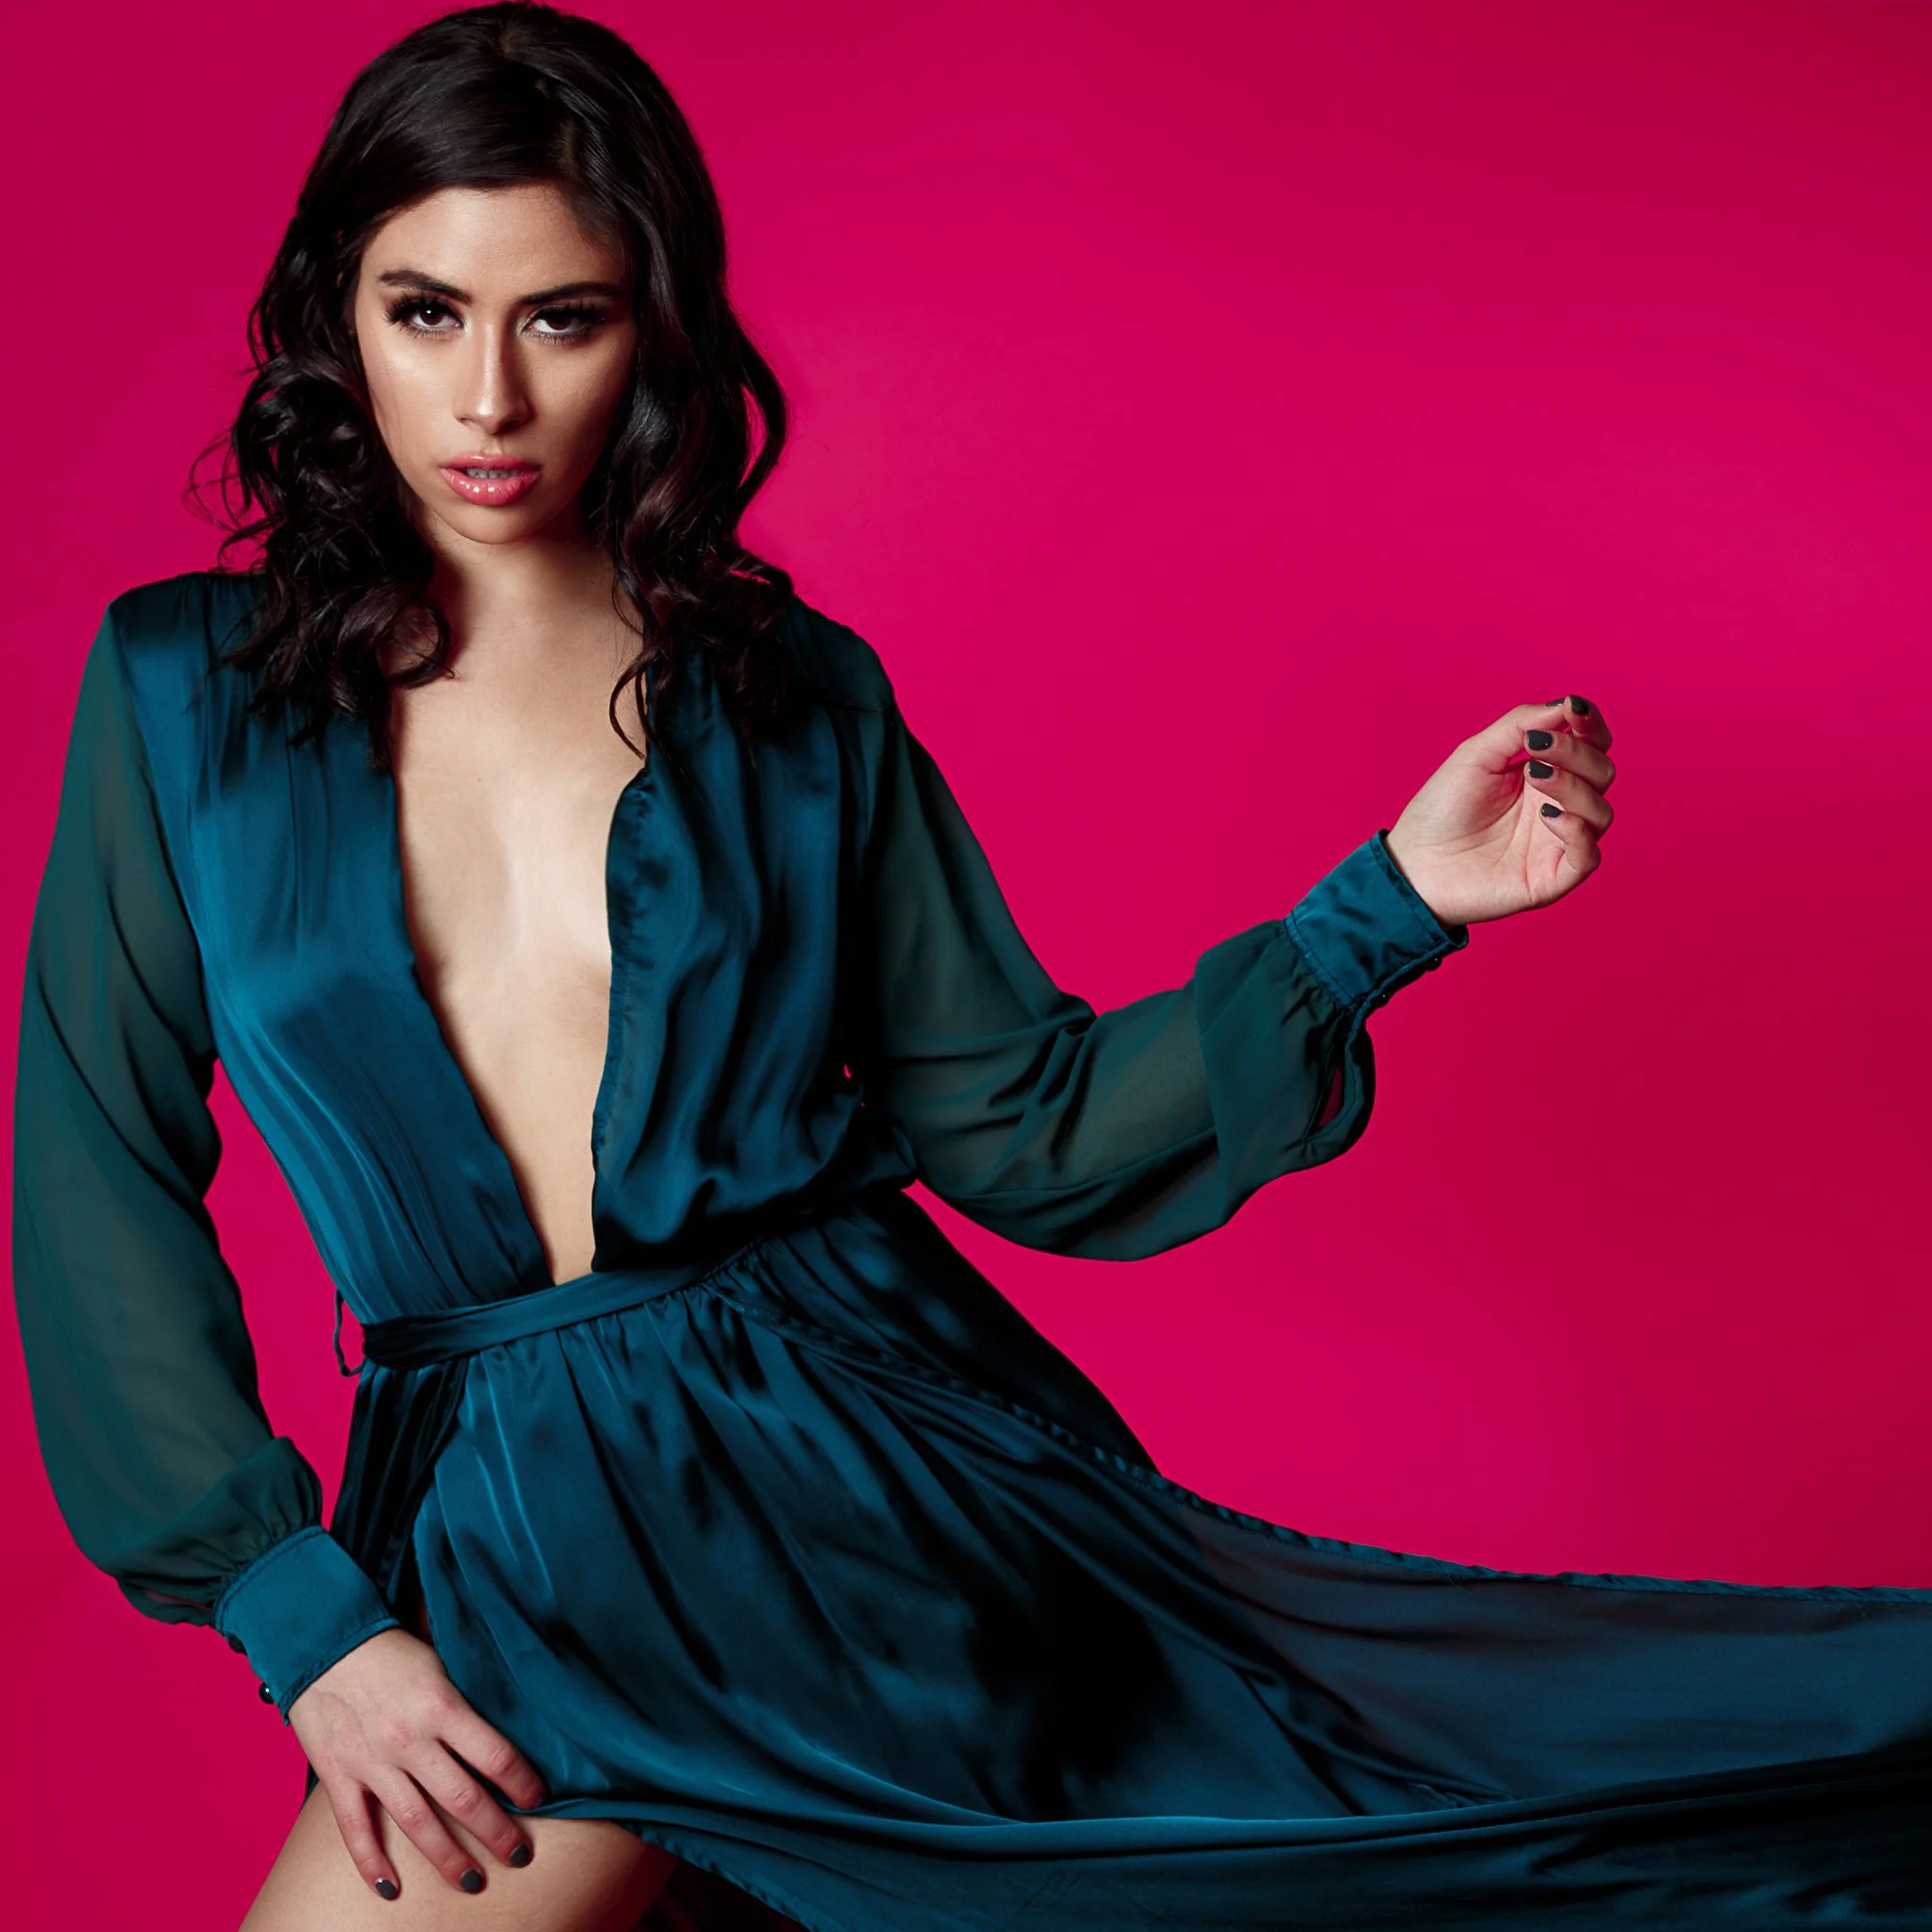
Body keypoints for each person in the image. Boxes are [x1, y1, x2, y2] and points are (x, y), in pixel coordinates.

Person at [13, 5, 1932, 1928]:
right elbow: (97, 1167)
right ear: (336, 316)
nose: (489, 399)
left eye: (561, 319)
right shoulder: (182, 693)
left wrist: (1389, 906)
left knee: (1464, 1853)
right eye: (427, 312)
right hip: (498, 1538)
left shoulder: (791, 698)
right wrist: (301, 1616)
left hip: (850, 1490)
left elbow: (1022, 1119)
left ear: (650, 331)